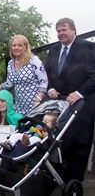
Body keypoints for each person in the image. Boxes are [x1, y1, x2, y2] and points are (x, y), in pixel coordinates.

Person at [45, 17, 95, 182]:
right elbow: (48, 74)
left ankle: (75, 182)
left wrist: (79, 93)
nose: (61, 33)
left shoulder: (88, 48)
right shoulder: (53, 51)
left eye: (64, 29)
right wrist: (50, 88)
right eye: (58, 31)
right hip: (60, 102)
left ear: (73, 30)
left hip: (82, 102)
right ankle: (60, 177)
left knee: (80, 143)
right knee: (60, 140)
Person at [0, 35, 48, 116]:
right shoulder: (10, 63)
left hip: (35, 106)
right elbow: (8, 84)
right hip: (19, 107)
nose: (16, 48)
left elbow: (44, 82)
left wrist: (38, 99)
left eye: (20, 45)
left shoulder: (34, 60)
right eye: (14, 45)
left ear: (25, 47)